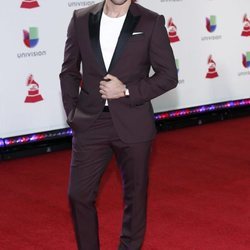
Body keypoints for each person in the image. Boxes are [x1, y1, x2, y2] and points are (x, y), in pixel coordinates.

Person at [59, 0, 178, 249]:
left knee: (135, 199)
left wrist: (125, 91)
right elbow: (69, 71)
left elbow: (168, 76)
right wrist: (73, 113)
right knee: (78, 195)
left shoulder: (150, 21)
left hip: (133, 122)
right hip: (91, 122)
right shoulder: (80, 19)